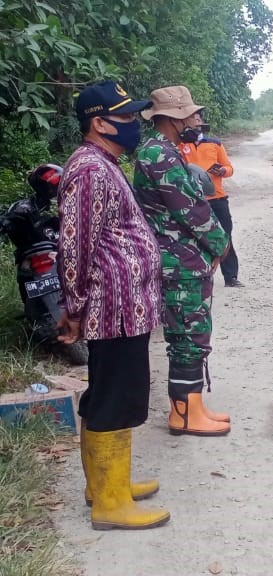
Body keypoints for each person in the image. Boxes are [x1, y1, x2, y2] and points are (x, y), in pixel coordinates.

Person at [57, 81, 169, 531]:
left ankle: (107, 484)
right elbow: (75, 244)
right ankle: (109, 502)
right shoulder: (89, 169)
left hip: (125, 306)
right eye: (124, 118)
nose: (133, 125)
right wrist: (76, 304)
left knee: (110, 395)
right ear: (99, 122)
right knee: (113, 400)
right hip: (112, 306)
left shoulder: (106, 163)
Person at [133, 86, 231, 437]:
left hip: (184, 257)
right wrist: (221, 243)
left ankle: (194, 406)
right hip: (178, 260)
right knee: (187, 334)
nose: (197, 120)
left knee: (194, 333)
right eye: (192, 114)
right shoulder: (158, 154)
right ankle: (183, 414)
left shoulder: (165, 150)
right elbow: (189, 208)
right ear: (174, 118)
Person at [178, 112, 242, 288]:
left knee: (225, 235)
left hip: (218, 197)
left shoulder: (214, 143)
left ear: (202, 122)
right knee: (196, 237)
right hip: (194, 198)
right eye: (191, 119)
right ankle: (200, 275)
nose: (195, 122)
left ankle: (231, 276)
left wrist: (222, 171)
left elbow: (229, 167)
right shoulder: (180, 145)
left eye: (198, 119)